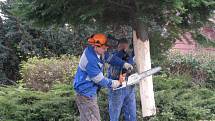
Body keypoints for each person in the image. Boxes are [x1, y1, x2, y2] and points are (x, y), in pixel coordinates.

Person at [73, 33, 133, 121]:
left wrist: (124, 64)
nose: (105, 50)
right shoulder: (90, 60)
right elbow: (100, 80)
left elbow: (111, 58)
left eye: (106, 48)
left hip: (89, 91)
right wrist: (116, 83)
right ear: (96, 46)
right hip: (85, 94)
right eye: (104, 48)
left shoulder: (98, 51)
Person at [108, 38, 137, 121]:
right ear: (118, 47)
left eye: (125, 48)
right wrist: (122, 53)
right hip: (117, 88)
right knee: (114, 115)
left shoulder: (130, 56)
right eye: (122, 47)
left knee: (131, 115)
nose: (124, 49)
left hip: (129, 87)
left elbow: (134, 56)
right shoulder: (114, 56)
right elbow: (113, 60)